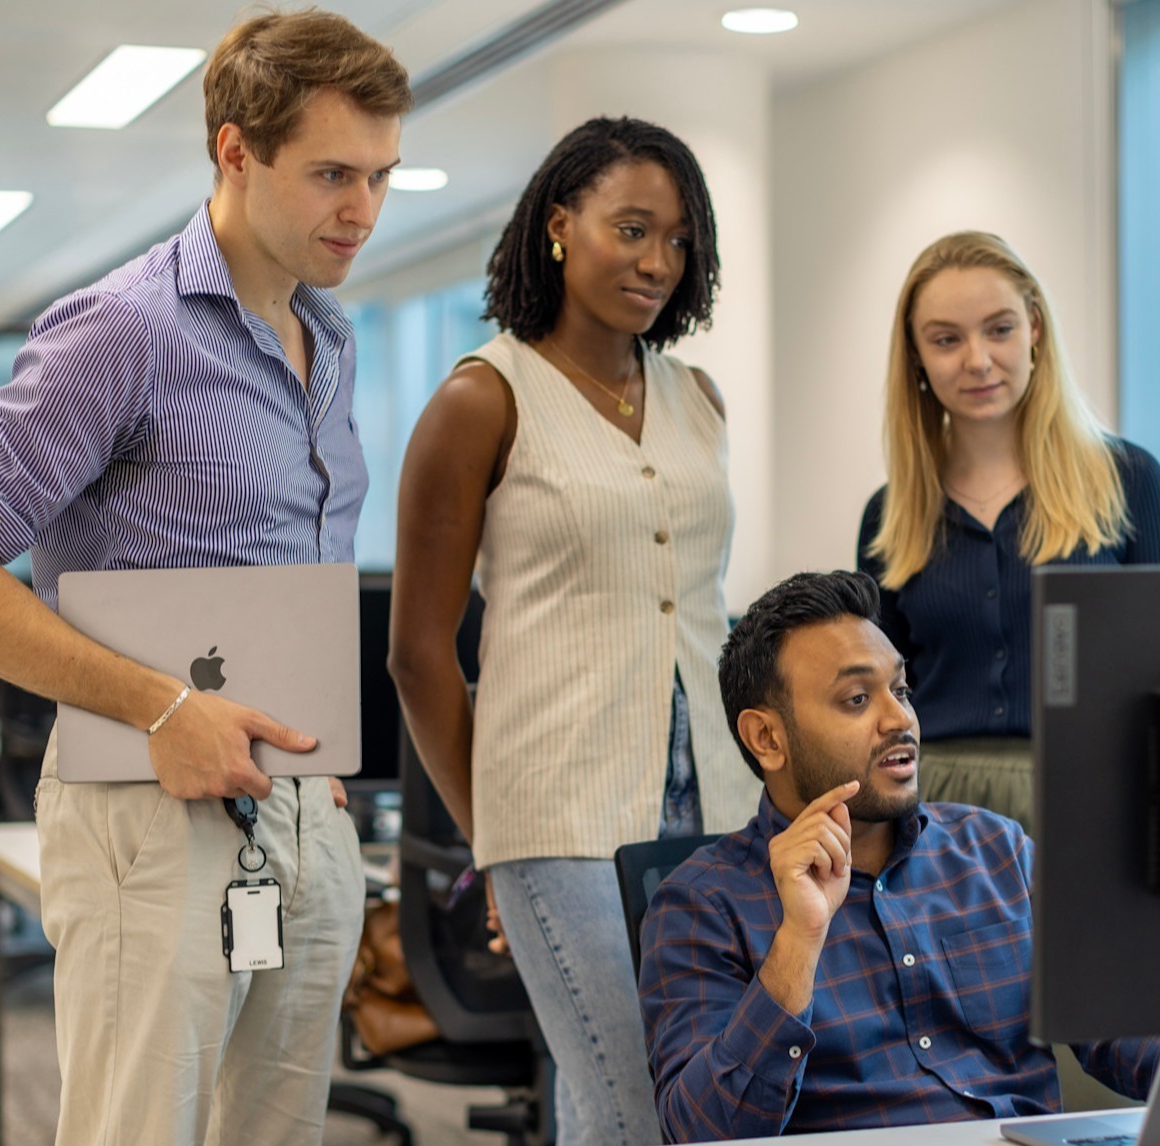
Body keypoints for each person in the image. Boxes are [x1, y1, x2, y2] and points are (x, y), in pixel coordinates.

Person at [0, 12, 411, 1144]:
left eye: (378, 175)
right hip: (150, 814)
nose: (361, 209)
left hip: (300, 815)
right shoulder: (122, 330)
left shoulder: (332, 335)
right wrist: (162, 706)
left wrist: (316, 774)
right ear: (234, 152)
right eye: (330, 173)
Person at [388, 116, 762, 1145]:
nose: (655, 262)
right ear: (559, 226)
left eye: (678, 240)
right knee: (628, 1093)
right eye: (630, 228)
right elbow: (418, 653)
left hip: (713, 803)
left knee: (697, 1090)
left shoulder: (699, 400)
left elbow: (704, 607)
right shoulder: (480, 398)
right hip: (555, 816)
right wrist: (489, 838)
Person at [638, 570, 1160, 1141]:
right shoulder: (700, 904)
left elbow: (1129, 1036)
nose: (900, 719)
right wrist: (798, 942)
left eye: (902, 690)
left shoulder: (996, 849)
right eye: (858, 698)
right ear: (767, 738)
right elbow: (699, 1133)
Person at [857, 232, 1160, 832]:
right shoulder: (889, 516)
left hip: (1097, 791)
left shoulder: (1129, 480)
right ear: (916, 356)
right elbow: (877, 696)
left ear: (1035, 328)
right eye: (946, 339)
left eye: (1000, 329)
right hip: (937, 810)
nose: (978, 360)